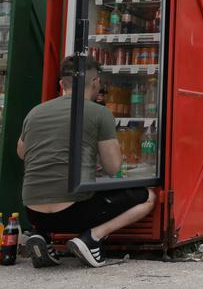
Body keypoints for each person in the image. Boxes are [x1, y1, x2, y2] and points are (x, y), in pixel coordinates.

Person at [17, 56, 156, 268]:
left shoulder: (34, 112)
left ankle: (41, 235)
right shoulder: (99, 112)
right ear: (95, 82)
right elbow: (113, 168)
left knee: (55, 194)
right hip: (75, 212)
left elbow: (22, 153)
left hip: (33, 212)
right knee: (148, 197)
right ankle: (92, 239)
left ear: (62, 84)